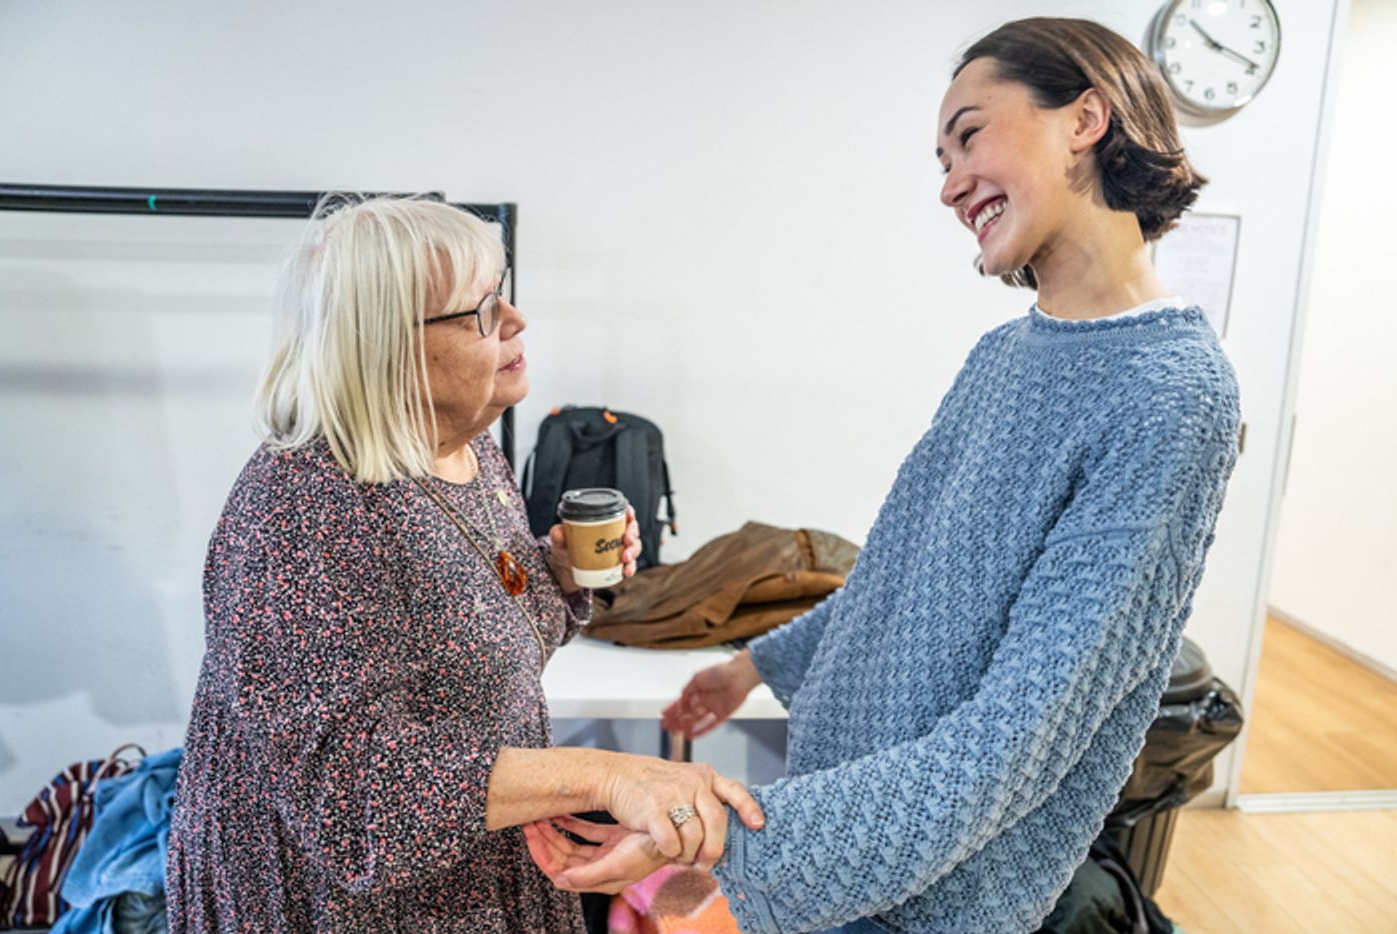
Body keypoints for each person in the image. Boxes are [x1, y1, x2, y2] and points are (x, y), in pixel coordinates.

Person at [525, 17, 1240, 934]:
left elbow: (1015, 742)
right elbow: (901, 586)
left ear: (1086, 119)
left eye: (970, 134)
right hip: (845, 837)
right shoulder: (1004, 356)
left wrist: (713, 846)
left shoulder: (1171, 393)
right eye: (940, 158)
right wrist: (751, 667)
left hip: (932, 896)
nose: (947, 185)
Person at [165, 197, 763, 933]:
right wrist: (608, 773)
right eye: (480, 311)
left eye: (503, 291)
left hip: (471, 866)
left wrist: (556, 576)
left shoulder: (467, 448)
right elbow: (354, 799)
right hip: (345, 907)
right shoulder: (302, 507)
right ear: (386, 346)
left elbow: (477, 642)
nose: (515, 320)